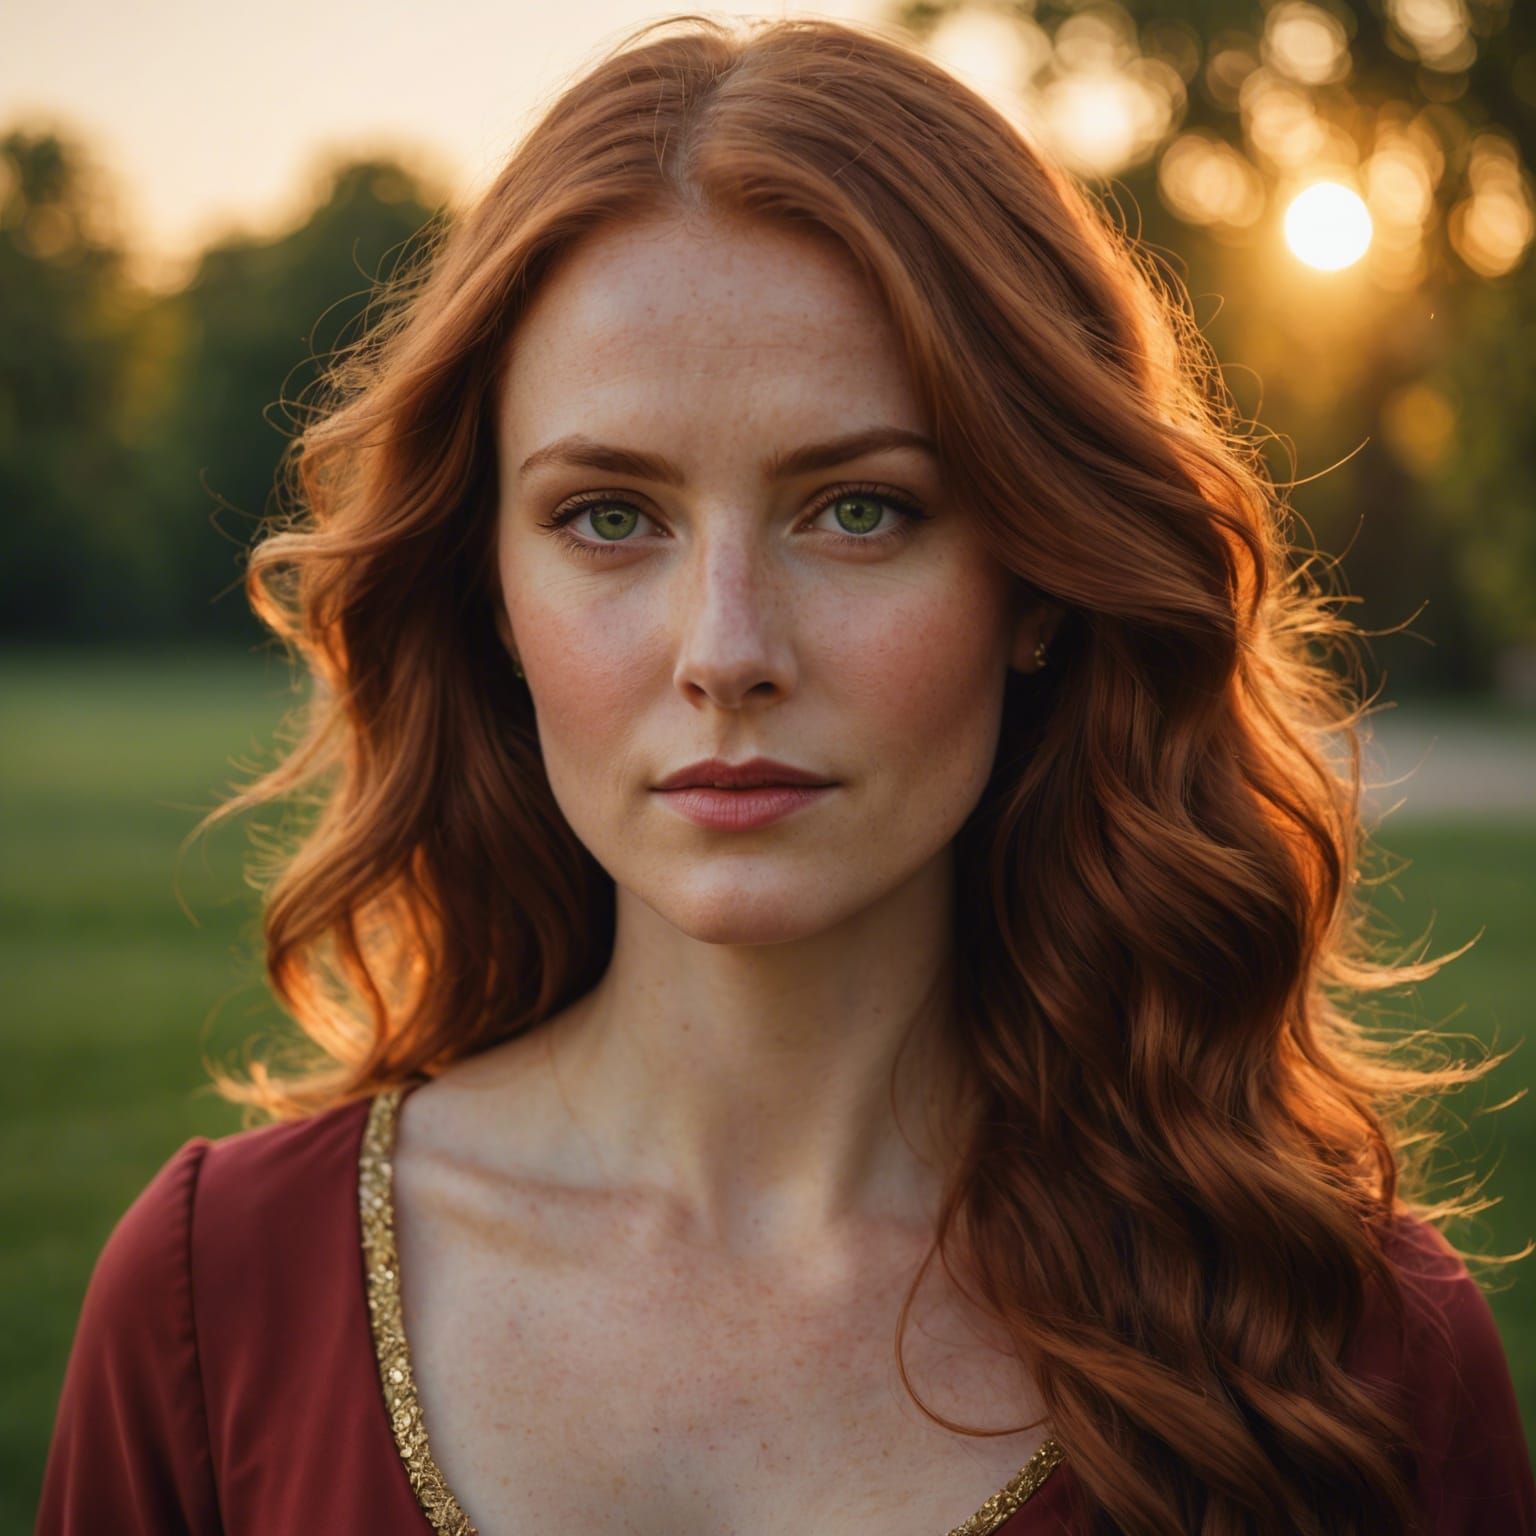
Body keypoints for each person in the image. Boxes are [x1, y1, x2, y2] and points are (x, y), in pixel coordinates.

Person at [35, 12, 1535, 1535]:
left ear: (1039, 580)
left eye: (859, 510)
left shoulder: (1352, 1354)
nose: (727, 651)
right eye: (609, 517)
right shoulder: (216, 1298)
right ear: (487, 592)